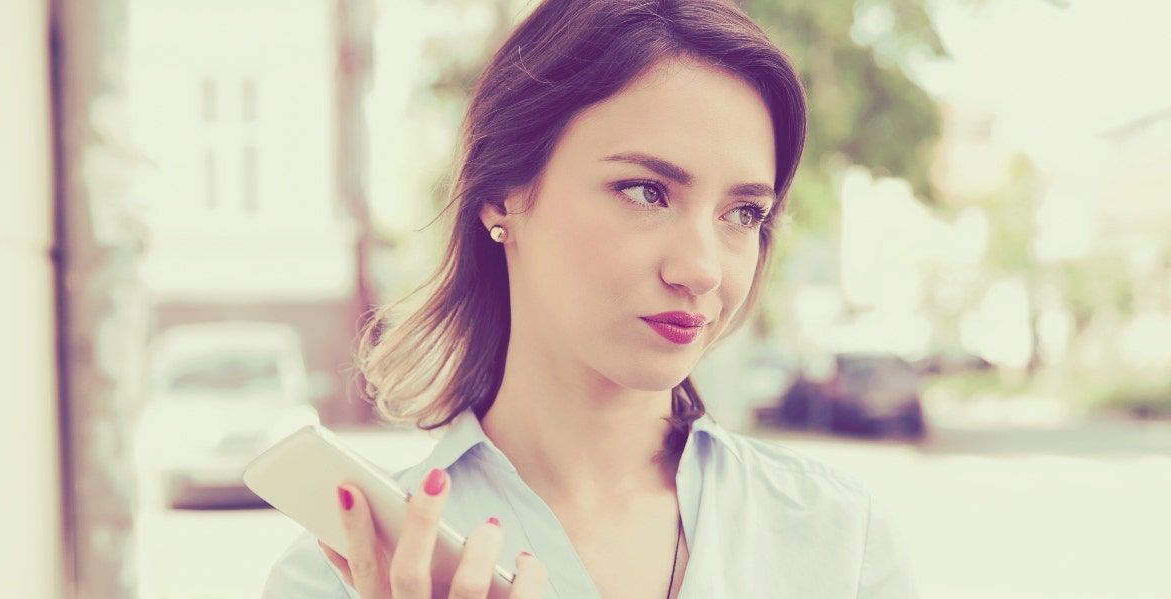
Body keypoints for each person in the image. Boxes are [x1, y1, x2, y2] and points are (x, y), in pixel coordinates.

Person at [264, 0, 917, 597]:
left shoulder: (839, 540)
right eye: (645, 192)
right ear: (503, 194)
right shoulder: (342, 573)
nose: (702, 269)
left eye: (744, 213)